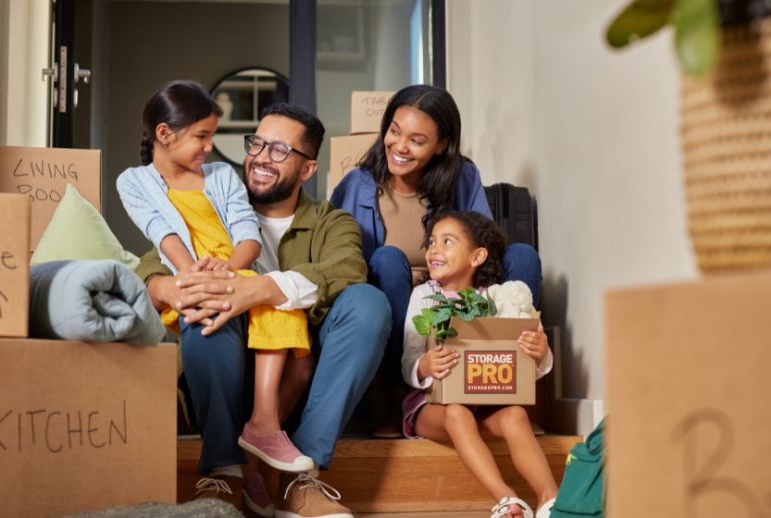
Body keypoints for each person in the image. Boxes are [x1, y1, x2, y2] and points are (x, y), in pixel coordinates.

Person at [136, 102, 391, 518]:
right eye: (257, 143)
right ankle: (224, 472)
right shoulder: (210, 203)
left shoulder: (333, 222)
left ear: (308, 169)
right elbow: (153, 260)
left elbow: (346, 269)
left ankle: (301, 478)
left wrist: (257, 289)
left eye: (278, 150)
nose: (259, 158)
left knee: (369, 302)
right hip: (225, 369)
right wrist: (168, 286)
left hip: (305, 381)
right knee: (201, 303)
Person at [117, 81, 314, 476]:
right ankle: (223, 458)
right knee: (202, 318)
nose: (209, 146)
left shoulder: (222, 174)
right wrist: (192, 277)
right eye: (202, 136)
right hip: (190, 277)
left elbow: (247, 234)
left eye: (212, 136)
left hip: (237, 271)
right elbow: (161, 232)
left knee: (279, 305)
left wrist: (228, 271)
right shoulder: (134, 182)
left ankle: (263, 422)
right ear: (164, 134)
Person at [330, 84, 542, 436]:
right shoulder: (356, 184)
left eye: (416, 140)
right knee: (386, 260)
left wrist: (453, 283)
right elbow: (341, 261)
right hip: (390, 299)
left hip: (459, 292)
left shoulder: (464, 177)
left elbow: (485, 245)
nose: (399, 146)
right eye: (394, 132)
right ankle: (397, 397)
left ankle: (510, 394)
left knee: (523, 256)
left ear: (441, 145)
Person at [401, 211, 556, 518]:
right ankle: (507, 499)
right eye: (432, 242)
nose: (434, 249)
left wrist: (540, 354)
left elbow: (517, 360)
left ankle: (552, 499)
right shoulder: (424, 297)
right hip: (431, 407)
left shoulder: (495, 300)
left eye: (447, 242)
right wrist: (425, 365)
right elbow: (408, 361)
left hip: (482, 406)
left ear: (477, 256)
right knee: (457, 412)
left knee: (515, 415)